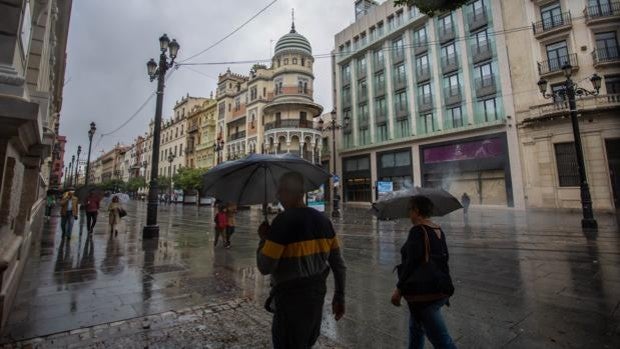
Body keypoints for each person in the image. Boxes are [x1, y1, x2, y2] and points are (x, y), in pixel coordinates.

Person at [257, 172, 347, 349]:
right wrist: (340, 296)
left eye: (281, 190)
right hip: (315, 301)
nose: (278, 195)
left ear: (293, 193)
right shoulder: (324, 221)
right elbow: (339, 265)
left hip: (290, 303)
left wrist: (264, 239)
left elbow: (265, 266)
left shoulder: (282, 222)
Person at [391, 195, 456, 349]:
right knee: (415, 330)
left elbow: (411, 263)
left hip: (424, 294)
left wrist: (398, 290)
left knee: (442, 342)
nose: (409, 214)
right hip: (439, 286)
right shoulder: (437, 229)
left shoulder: (417, 231)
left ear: (417, 211)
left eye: (410, 210)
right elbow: (443, 259)